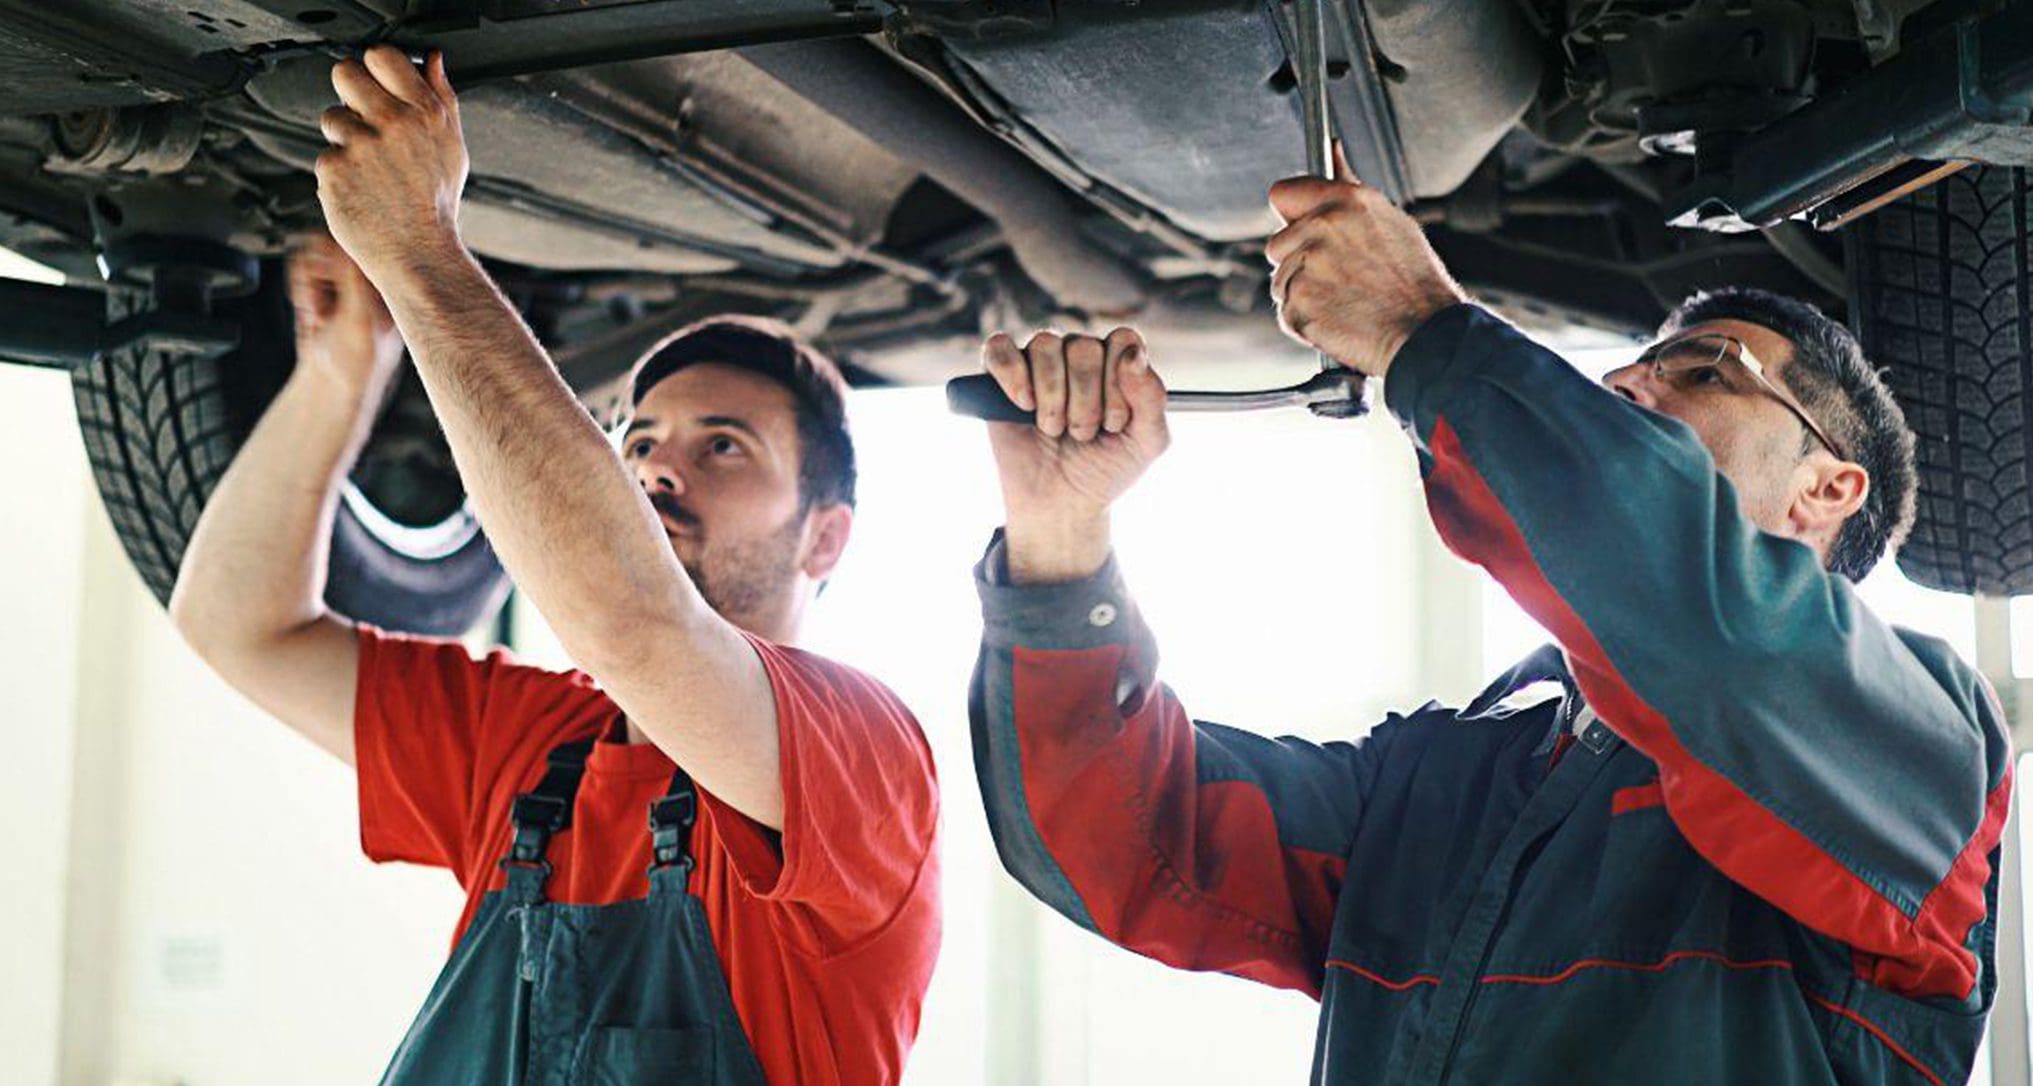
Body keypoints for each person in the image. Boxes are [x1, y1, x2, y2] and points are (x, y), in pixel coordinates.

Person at [965, 146, 2011, 1084]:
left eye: (1704, 372)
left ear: (1828, 489)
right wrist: (1059, 541)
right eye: (1626, 372)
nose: (1627, 390)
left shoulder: (1919, 743)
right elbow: (1128, 839)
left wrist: (1428, 332)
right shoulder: (1443, 774)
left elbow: (1701, 629)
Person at [169, 47, 939, 1085]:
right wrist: (339, 375)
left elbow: (631, 625)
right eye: (639, 439)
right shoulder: (535, 745)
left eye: (724, 446)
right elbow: (238, 626)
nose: (659, 467)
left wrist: (425, 253)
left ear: (825, 536)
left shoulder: (859, 752)